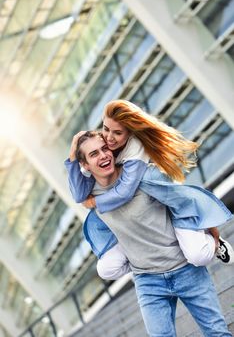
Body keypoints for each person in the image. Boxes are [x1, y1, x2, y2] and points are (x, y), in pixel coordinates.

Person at [73, 131, 232, 336]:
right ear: (85, 165)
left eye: (105, 149)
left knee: (217, 332)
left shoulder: (143, 176)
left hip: (185, 269)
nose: (103, 155)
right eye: (94, 154)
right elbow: (72, 175)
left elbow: (185, 202)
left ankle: (211, 244)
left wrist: (214, 236)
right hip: (148, 281)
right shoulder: (90, 197)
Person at [64, 100, 234, 280]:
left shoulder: (135, 148)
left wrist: (94, 202)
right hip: (140, 224)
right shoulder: (101, 147)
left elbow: (124, 192)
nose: (109, 138)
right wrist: (73, 153)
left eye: (117, 132)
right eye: (106, 129)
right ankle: (151, 261)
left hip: (170, 207)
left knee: (198, 256)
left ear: (130, 132)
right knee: (106, 270)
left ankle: (214, 244)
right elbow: (78, 195)